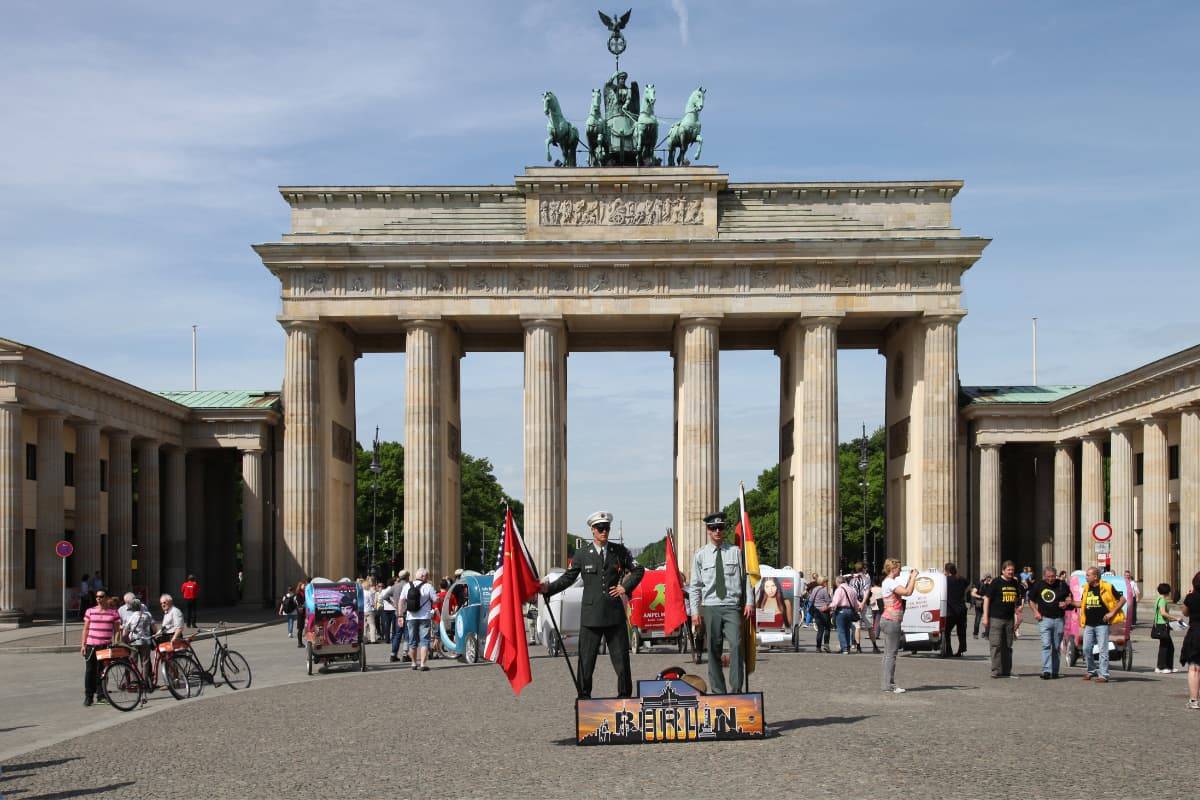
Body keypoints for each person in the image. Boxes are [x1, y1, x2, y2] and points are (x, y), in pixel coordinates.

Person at [542, 510, 644, 698]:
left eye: (606, 528)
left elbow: (638, 570)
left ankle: (624, 697)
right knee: (586, 662)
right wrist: (548, 589)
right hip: (591, 616)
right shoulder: (582, 554)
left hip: (614, 615)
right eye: (600, 528)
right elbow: (568, 578)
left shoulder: (619, 551)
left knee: (622, 660)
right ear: (592, 530)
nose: (604, 531)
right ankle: (584, 697)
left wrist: (624, 586)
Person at [686, 512, 753, 693]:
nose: (717, 531)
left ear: (724, 530)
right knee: (713, 650)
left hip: (732, 605)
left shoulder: (735, 552)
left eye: (720, 527)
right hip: (710, 606)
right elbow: (695, 586)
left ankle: (737, 690)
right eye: (713, 528)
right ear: (707, 530)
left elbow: (745, 578)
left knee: (737, 644)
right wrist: (694, 612)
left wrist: (750, 602)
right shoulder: (700, 555)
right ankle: (718, 692)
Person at [1079, 566, 1126, 683]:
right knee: (1086, 649)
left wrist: (1112, 613)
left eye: (1088, 575)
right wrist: (1069, 603)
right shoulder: (1085, 588)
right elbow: (1082, 603)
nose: (1086, 577)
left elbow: (1122, 599)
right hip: (1089, 623)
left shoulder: (1107, 586)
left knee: (1103, 649)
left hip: (1102, 624)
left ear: (1095, 577)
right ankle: (1091, 670)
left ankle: (1104, 674)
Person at [1025, 565, 1072, 679]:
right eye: (1048, 577)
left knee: (1056, 647)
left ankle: (1055, 671)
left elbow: (1070, 597)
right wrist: (1035, 612)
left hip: (1059, 619)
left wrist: (1066, 603)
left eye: (1053, 576)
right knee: (1046, 645)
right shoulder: (1039, 585)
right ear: (1044, 576)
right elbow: (1031, 599)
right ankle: (1046, 670)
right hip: (1044, 619)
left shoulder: (1062, 584)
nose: (1051, 579)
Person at [880, 558, 917, 694]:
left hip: (887, 619)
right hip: (892, 621)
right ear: (893, 569)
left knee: (887, 654)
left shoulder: (889, 582)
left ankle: (886, 684)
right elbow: (907, 592)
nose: (900, 570)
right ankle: (889, 685)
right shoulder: (890, 582)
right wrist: (913, 577)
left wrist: (910, 579)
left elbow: (904, 589)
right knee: (891, 654)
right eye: (899, 568)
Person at [982, 561, 1022, 678]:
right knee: (996, 645)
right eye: (1008, 570)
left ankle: (1006, 670)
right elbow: (987, 599)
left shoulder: (1014, 582)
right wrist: (985, 617)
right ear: (1003, 570)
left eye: (1012, 570)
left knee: (1008, 646)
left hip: (1009, 618)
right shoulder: (996, 582)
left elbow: (1016, 600)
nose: (1011, 572)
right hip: (996, 618)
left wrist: (1018, 614)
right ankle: (995, 670)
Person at [80, 590, 120, 706]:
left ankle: (101, 695)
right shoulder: (90, 611)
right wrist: (83, 644)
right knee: (90, 671)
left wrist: (116, 643)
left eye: (101, 596)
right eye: (97, 597)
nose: (98, 598)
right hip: (91, 645)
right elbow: (86, 629)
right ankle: (89, 696)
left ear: (107, 598)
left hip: (105, 646)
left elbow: (117, 630)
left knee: (103, 671)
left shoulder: (113, 613)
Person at [405, 568, 438, 671]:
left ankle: (413, 663)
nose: (427, 578)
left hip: (411, 616)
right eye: (427, 576)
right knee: (424, 641)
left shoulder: (407, 585)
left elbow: (401, 600)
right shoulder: (428, 586)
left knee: (412, 641)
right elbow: (435, 599)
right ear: (423, 577)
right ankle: (423, 664)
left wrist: (400, 616)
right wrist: (439, 599)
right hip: (424, 617)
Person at [121, 597, 155, 685]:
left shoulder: (131, 617)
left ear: (132, 607)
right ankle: (145, 680)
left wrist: (123, 639)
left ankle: (135, 681)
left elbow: (126, 631)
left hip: (134, 642)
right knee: (145, 661)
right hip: (146, 641)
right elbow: (154, 628)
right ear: (140, 606)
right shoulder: (148, 615)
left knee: (134, 661)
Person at [1180, 571, 1200, 709]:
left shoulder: (1191, 597)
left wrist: (1190, 594)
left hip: (1196, 633)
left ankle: (1194, 700)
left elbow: (1185, 612)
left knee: (1194, 667)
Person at [941, 562, 969, 658]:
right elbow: (967, 583)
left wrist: (945, 575)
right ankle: (961, 649)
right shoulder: (961, 579)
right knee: (961, 631)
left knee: (947, 631)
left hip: (950, 610)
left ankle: (948, 650)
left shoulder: (945, 580)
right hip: (961, 608)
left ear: (946, 570)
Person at [1153, 582, 1180, 674]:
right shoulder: (1163, 600)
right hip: (1162, 625)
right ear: (1167, 591)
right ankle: (1162, 667)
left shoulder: (1158, 599)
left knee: (1167, 646)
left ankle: (1166, 666)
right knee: (1166, 647)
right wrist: (1175, 618)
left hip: (1160, 624)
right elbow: (1163, 613)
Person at [849, 563, 877, 654]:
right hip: (865, 605)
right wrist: (863, 603)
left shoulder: (852, 581)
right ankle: (875, 646)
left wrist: (858, 603)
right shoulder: (867, 579)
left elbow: (852, 594)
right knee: (869, 626)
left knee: (857, 626)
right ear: (863, 569)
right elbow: (867, 592)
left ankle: (858, 647)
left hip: (856, 605)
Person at [829, 575, 860, 655]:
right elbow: (855, 603)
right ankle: (847, 647)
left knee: (841, 630)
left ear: (837, 582)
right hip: (850, 611)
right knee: (847, 629)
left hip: (841, 610)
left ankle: (844, 648)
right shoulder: (851, 589)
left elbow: (835, 602)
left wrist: (828, 607)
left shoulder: (839, 590)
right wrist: (855, 611)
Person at [386, 570, 412, 663]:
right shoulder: (409, 586)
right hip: (407, 613)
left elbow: (385, 596)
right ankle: (405, 654)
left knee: (397, 634)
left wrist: (393, 604)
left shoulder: (394, 586)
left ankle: (393, 654)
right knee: (407, 634)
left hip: (398, 613)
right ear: (407, 576)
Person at [808, 576, 832, 653]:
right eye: (826, 582)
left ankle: (818, 647)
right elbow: (828, 601)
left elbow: (811, 599)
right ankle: (826, 645)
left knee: (820, 630)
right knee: (827, 628)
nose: (827, 583)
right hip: (824, 611)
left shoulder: (814, 589)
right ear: (823, 582)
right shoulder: (824, 590)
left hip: (816, 611)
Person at [362, 579, 379, 645]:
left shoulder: (361, 592)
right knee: (372, 625)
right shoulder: (369, 593)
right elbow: (372, 602)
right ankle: (373, 639)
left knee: (364, 625)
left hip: (362, 610)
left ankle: (364, 639)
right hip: (369, 610)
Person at [293, 580, 308, 648]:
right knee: (300, 628)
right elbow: (299, 603)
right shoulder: (298, 593)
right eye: (303, 585)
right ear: (300, 586)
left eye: (305, 585)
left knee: (302, 627)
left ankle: (301, 642)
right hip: (300, 612)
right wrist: (303, 604)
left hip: (303, 611)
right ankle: (299, 643)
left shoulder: (304, 593)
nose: (304, 586)